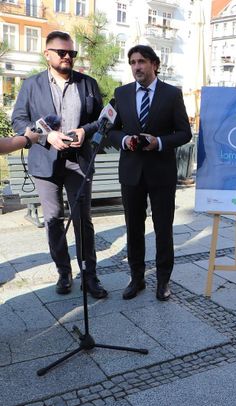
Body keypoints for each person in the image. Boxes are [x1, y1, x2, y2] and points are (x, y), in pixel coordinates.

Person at [11, 31, 108, 298]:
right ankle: (64, 272)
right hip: (45, 163)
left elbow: (101, 120)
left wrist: (84, 132)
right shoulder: (31, 85)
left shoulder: (88, 83)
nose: (68, 57)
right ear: (48, 54)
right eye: (62, 52)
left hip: (79, 162)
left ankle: (90, 274)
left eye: (72, 53)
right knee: (53, 220)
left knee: (83, 220)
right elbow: (18, 121)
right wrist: (45, 135)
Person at [109, 45, 192, 301]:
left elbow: (184, 133)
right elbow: (110, 130)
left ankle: (163, 280)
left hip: (161, 172)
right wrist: (124, 141)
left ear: (154, 64)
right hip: (131, 172)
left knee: (163, 228)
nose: (137, 67)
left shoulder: (171, 94)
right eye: (132, 62)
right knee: (134, 228)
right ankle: (137, 278)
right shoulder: (121, 94)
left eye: (142, 61)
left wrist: (159, 142)